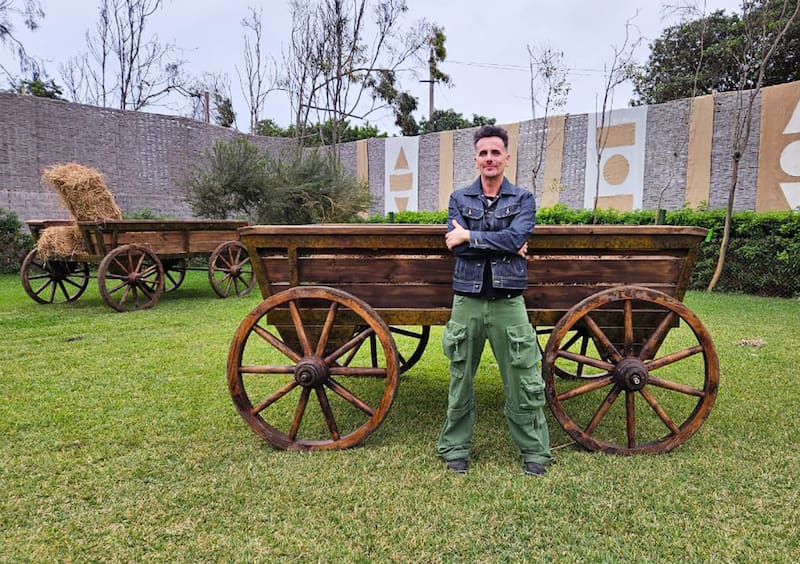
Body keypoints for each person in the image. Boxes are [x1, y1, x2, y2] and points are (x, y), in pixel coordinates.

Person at [437, 124, 552, 476]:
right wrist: (505, 243)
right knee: (460, 378)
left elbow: (516, 235)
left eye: (495, 152)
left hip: (508, 301)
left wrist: (469, 236)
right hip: (467, 301)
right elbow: (462, 251)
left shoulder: (523, 200)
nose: (489, 158)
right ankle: (455, 447)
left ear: (506, 157)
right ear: (476, 159)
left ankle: (534, 450)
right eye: (483, 153)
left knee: (523, 378)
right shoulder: (459, 198)